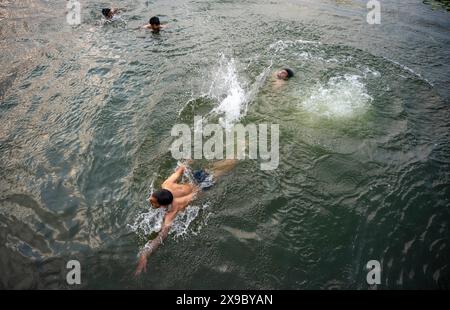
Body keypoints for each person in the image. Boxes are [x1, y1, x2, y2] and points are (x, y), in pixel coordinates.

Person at [134, 159, 237, 276]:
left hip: (204, 185)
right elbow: (181, 169)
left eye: (153, 202)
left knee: (226, 169)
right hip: (196, 176)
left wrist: (145, 254)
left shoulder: (174, 209)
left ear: (164, 205)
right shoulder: (166, 185)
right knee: (218, 166)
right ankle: (238, 153)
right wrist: (188, 161)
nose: (149, 201)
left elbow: (162, 235)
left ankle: (240, 156)